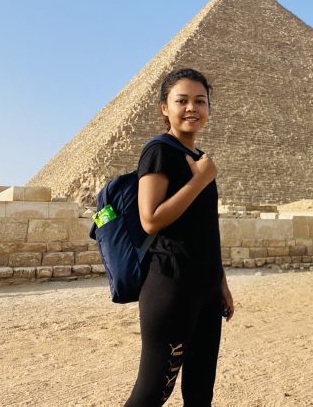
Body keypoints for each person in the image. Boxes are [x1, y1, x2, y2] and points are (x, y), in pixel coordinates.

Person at [125, 68, 234, 406]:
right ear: (164, 107)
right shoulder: (159, 151)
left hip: (205, 289)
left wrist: (221, 281)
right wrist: (199, 180)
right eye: (181, 100)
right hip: (171, 287)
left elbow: (205, 229)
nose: (192, 108)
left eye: (200, 101)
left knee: (201, 393)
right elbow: (150, 219)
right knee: (151, 394)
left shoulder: (203, 161)